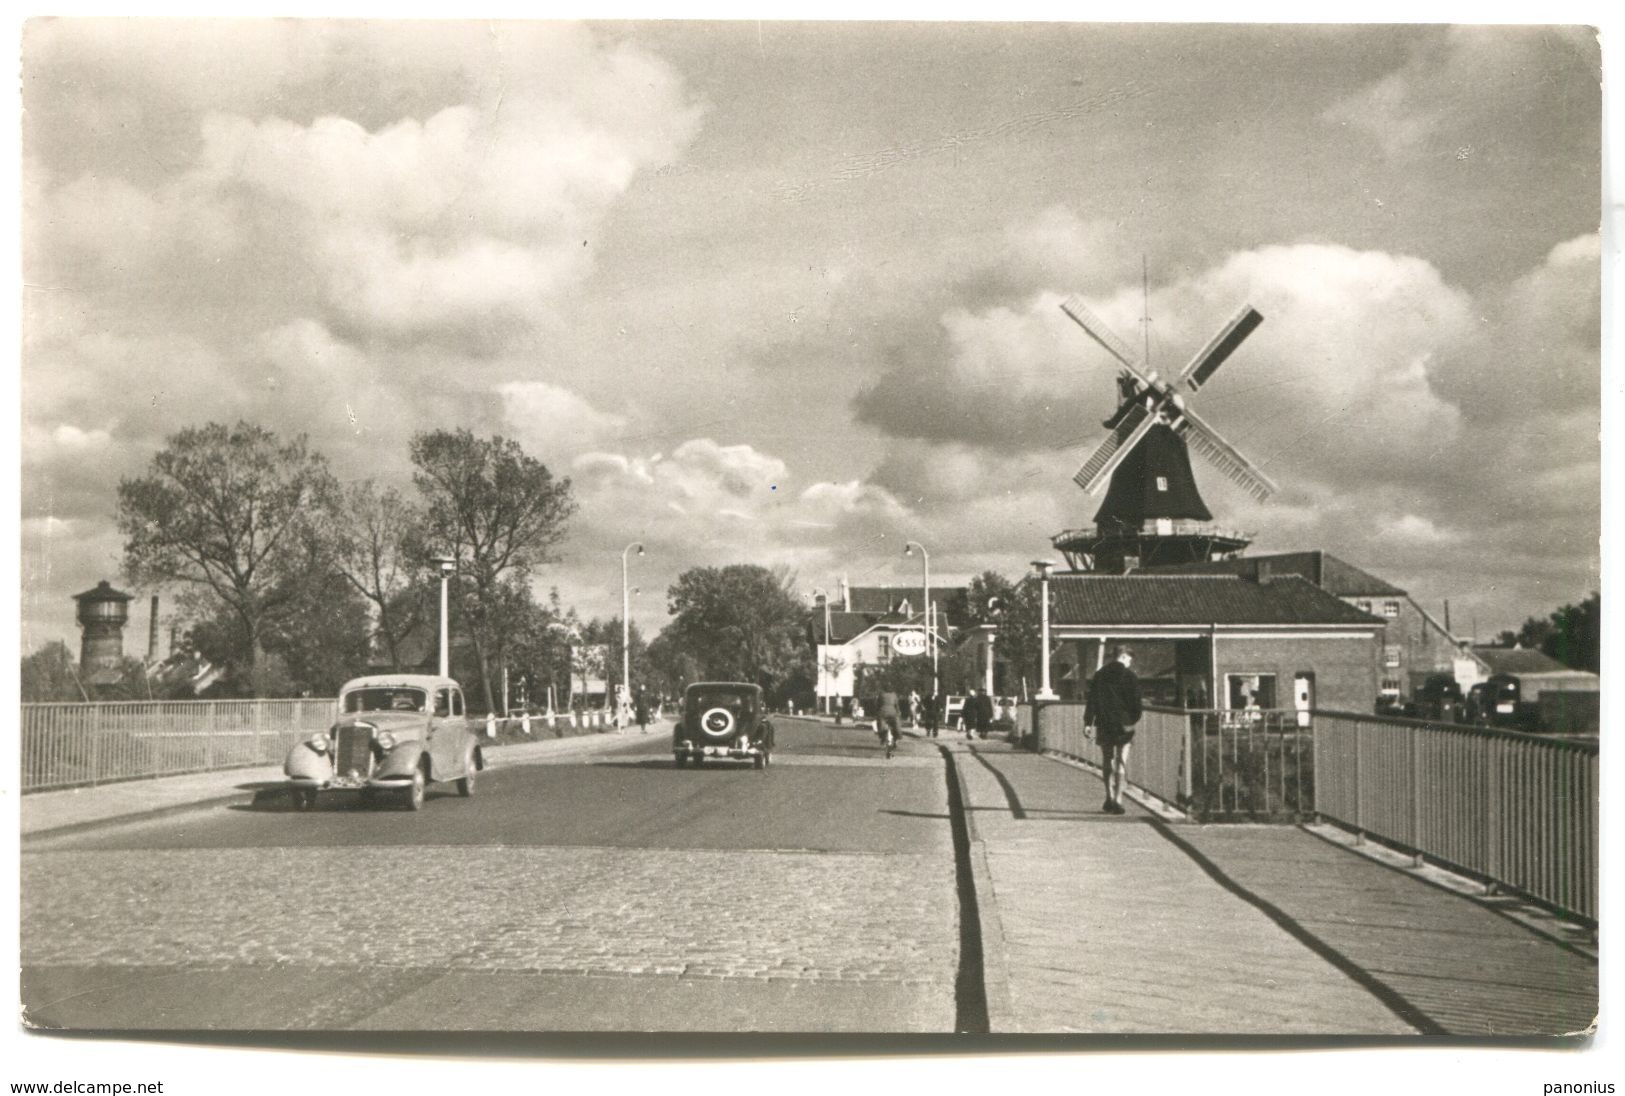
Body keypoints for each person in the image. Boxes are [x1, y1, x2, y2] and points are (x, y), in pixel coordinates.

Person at [1085, 644, 1144, 815]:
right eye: (1129, 660)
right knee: (1121, 761)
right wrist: (1132, 719)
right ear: (1124, 656)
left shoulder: (1100, 675)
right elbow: (1137, 705)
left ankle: (1109, 796)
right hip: (1124, 725)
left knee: (1107, 759)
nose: (1130, 663)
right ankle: (1118, 799)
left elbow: (1092, 701)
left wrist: (1088, 722)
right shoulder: (1130, 677)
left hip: (1104, 723)